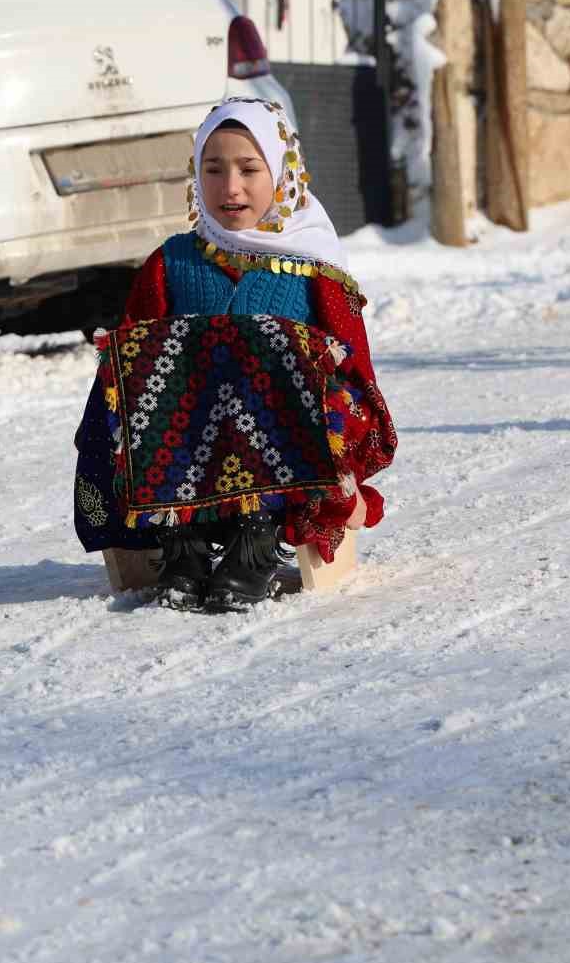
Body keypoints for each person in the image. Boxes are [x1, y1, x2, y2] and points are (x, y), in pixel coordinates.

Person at [73, 97, 397, 611]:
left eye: (249, 169)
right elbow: (128, 359)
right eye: (213, 168)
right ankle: (184, 540)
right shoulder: (171, 262)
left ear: (283, 172)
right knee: (152, 357)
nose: (230, 188)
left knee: (270, 352)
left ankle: (256, 541)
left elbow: (356, 375)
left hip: (285, 464)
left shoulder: (316, 272)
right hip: (182, 462)